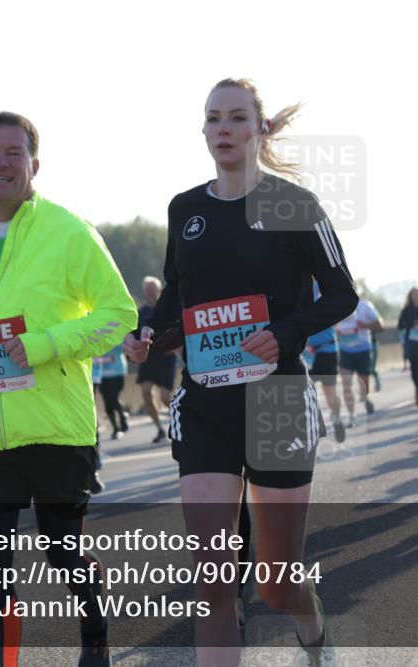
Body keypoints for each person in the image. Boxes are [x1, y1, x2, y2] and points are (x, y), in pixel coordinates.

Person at [124, 78, 357, 666]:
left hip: (276, 401)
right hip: (205, 402)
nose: (222, 130)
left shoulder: (294, 204)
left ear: (261, 129)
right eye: (212, 119)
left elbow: (341, 295)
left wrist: (283, 333)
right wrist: (151, 332)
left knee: (277, 581)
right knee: (213, 580)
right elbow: (176, 297)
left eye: (235, 119)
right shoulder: (186, 209)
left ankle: (313, 628)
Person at [0, 111, 138, 667]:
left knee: (64, 552)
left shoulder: (68, 231)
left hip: (53, 429)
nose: (0, 163)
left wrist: (46, 344)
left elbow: (119, 314)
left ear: (33, 164)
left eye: (13, 153)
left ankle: (95, 637)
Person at [135, 276, 179, 443]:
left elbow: (179, 330)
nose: (149, 295)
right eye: (146, 292)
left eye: (152, 292)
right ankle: (160, 429)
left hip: (166, 358)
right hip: (148, 358)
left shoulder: (168, 309)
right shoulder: (141, 312)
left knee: (165, 397)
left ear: (159, 291)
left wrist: (176, 348)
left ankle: (181, 420)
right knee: (146, 393)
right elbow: (136, 333)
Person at [336, 293, 383, 427]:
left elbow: (380, 325)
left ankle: (366, 398)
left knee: (364, 385)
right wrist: (336, 330)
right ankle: (351, 416)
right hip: (345, 351)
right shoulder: (335, 305)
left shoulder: (364, 305)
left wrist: (365, 325)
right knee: (346, 385)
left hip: (363, 350)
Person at [305, 323, 346, 443]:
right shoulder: (326, 303)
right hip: (323, 352)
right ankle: (336, 419)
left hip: (313, 352)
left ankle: (314, 427)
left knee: (307, 393)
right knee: (329, 392)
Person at [97, 343, 129, 440]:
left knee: (113, 398)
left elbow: (126, 347)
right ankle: (116, 428)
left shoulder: (115, 334)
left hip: (117, 372)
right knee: (107, 403)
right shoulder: (96, 336)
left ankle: (122, 415)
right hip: (102, 374)